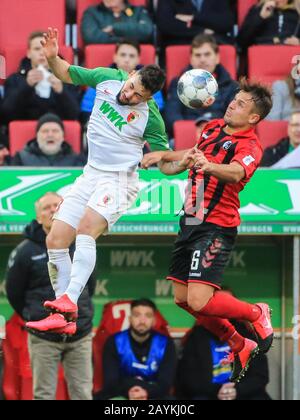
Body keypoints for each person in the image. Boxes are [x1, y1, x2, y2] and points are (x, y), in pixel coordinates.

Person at [25, 28, 171, 334]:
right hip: (90, 173)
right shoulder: (107, 78)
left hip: (119, 181)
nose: (128, 95)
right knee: (55, 239)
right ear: (130, 74)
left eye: (138, 96)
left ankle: (68, 302)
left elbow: (168, 166)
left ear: (149, 98)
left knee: (85, 230)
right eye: (131, 87)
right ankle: (64, 316)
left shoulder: (151, 118)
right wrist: (53, 56)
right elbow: (66, 73)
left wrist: (168, 159)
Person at [141, 78, 274, 383]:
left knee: (201, 300)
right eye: (234, 99)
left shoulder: (251, 146)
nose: (232, 104)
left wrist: (208, 165)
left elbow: (236, 172)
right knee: (182, 298)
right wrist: (164, 155)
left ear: (253, 117)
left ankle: (256, 312)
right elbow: (192, 155)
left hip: (216, 225)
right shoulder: (213, 127)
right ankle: (238, 341)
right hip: (189, 221)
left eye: (241, 103)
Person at [5, 192, 95, 400]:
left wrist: (80, 314)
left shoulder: (79, 243)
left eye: (57, 205)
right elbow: (14, 292)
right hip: (43, 338)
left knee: (82, 394)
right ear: (38, 217)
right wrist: (33, 315)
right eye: (46, 208)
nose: (53, 210)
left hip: (79, 334)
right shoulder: (25, 251)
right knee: (43, 395)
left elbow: (90, 284)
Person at [177, 292, 272, 400]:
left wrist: (237, 390)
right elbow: (187, 379)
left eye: (226, 307)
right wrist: (217, 391)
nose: (221, 312)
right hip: (209, 394)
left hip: (241, 393)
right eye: (217, 307)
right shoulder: (196, 336)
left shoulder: (246, 334)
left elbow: (260, 376)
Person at [95, 299, 177, 400]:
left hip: (153, 395)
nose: (142, 321)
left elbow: (165, 384)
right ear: (130, 319)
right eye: (137, 315)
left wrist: (145, 392)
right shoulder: (114, 342)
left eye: (148, 315)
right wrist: (131, 390)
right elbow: (110, 382)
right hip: (122, 394)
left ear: (154, 321)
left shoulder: (165, 344)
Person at [165, 34, 237, 138]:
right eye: (198, 55)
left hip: (220, 138)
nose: (202, 59)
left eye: (207, 54)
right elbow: (171, 117)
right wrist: (190, 132)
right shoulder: (178, 83)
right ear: (191, 59)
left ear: (217, 58)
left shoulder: (232, 86)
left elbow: (234, 120)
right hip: (186, 138)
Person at [1, 31, 80, 123]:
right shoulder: (15, 79)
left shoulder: (68, 79)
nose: (42, 53)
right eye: (37, 49)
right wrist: (26, 86)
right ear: (29, 53)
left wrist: (61, 92)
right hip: (24, 132)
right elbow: (6, 114)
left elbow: (74, 115)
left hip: (57, 132)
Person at [80, 39, 164, 125]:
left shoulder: (149, 82)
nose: (127, 60)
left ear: (138, 59)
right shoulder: (102, 78)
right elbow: (86, 110)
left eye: (132, 56)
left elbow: (157, 114)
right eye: (123, 55)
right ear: (115, 57)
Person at [11, 113, 85, 167]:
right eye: (45, 131)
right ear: (37, 136)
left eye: (55, 131)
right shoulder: (20, 158)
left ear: (63, 136)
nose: (50, 135)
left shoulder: (77, 159)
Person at [156, 0, 235, 50]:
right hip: (179, 45)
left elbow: (226, 22)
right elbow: (166, 25)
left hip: (213, 46)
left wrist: (194, 18)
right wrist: (202, 31)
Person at [81, 0, 154, 45]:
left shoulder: (138, 11)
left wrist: (114, 29)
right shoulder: (92, 12)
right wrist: (128, 37)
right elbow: (91, 38)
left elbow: (147, 31)